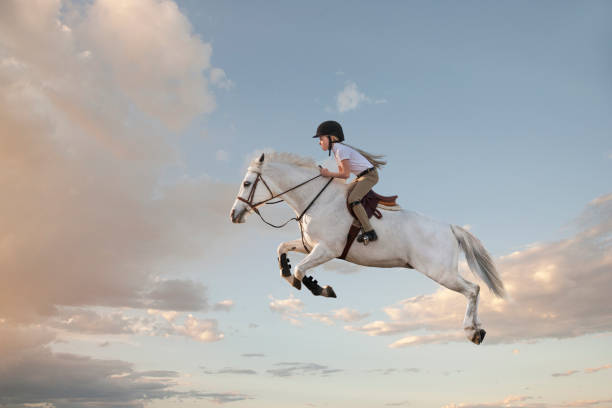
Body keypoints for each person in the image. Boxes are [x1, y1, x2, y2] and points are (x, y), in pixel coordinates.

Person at [313, 120, 386, 243]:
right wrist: (327, 176)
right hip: (361, 176)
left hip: (370, 176)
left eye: (321, 138)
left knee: (353, 199)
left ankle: (369, 231)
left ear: (331, 138)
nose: (319, 142)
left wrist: (327, 173)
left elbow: (345, 174)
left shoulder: (340, 150)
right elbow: (344, 176)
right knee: (343, 193)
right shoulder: (337, 151)